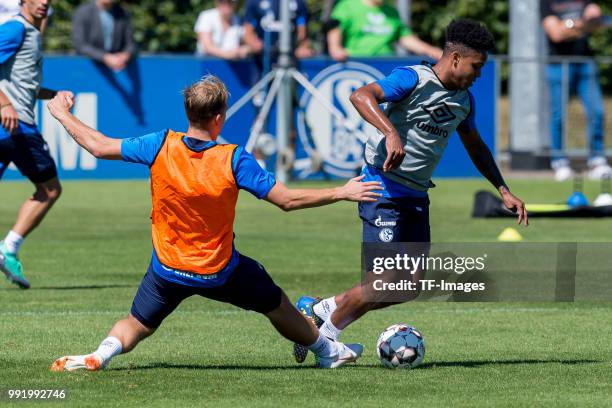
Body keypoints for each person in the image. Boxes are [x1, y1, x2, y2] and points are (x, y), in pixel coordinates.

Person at [48, 75, 383, 371]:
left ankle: (99, 355)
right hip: (218, 270)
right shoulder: (233, 158)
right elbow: (287, 200)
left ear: (188, 112)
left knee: (137, 323)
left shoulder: (160, 144)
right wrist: (342, 191)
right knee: (277, 303)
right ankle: (328, 352)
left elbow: (98, 145)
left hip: (167, 268)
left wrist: (62, 113)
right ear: (220, 118)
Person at [292, 19, 528, 363]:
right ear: (457, 58)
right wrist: (390, 131)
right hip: (382, 191)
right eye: (477, 66)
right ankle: (323, 339)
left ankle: (318, 308)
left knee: (409, 285)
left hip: (416, 196)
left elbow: (476, 147)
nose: (479, 74)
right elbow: (361, 95)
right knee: (387, 279)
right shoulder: (413, 78)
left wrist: (503, 189)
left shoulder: (464, 101)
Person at [0, 0, 63, 289]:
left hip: (12, 126)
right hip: (15, 128)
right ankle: (8, 248)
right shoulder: (15, 29)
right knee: (50, 189)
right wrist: (3, 104)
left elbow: (23, 82)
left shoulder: (31, 33)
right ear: (23, 2)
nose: (45, 2)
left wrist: (53, 94)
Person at [540, 0, 611, 181]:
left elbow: (598, 19)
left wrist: (569, 26)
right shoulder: (547, 3)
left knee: (597, 112)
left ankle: (597, 160)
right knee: (558, 116)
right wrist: (583, 25)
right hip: (558, 65)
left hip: (585, 63)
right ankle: (560, 162)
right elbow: (556, 34)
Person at [327, 0, 442, 62]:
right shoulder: (348, 5)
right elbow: (334, 27)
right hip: (356, 64)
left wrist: (432, 51)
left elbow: (406, 38)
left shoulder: (392, 12)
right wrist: (335, 48)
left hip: (385, 65)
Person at [243, 0, 314, 69]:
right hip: (263, 61)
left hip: (291, 59)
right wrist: (254, 44)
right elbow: (247, 29)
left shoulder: (298, 2)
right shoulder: (254, 1)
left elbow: (303, 31)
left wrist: (302, 47)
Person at [72, 0, 137, 72]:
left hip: (118, 68)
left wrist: (125, 55)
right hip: (87, 69)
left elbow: (131, 43)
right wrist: (105, 57)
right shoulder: (82, 12)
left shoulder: (123, 13)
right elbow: (80, 45)